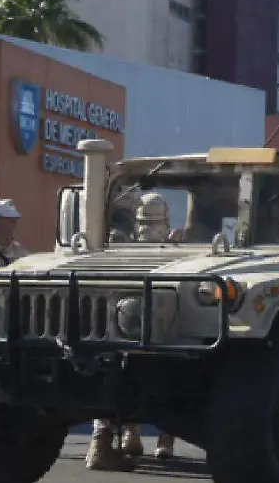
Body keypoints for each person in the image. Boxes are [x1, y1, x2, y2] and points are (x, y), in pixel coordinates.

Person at [87, 192, 179, 470]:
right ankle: (150, 438)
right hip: (149, 329)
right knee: (166, 380)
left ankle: (111, 440)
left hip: (118, 328)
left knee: (109, 379)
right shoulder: (126, 244)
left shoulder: (118, 244)